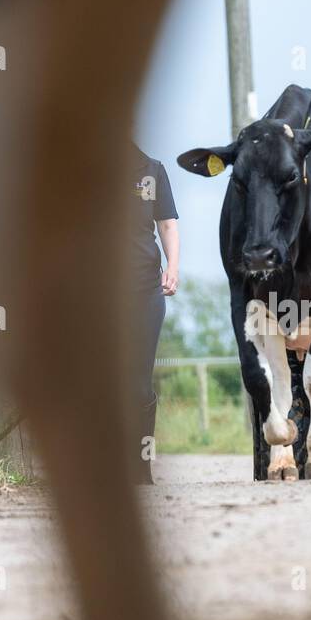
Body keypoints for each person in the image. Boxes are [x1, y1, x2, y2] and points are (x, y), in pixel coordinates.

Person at [130, 143, 179, 483]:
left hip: (144, 290)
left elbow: (167, 225)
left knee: (138, 385)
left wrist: (172, 267)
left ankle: (140, 466)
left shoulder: (151, 169)